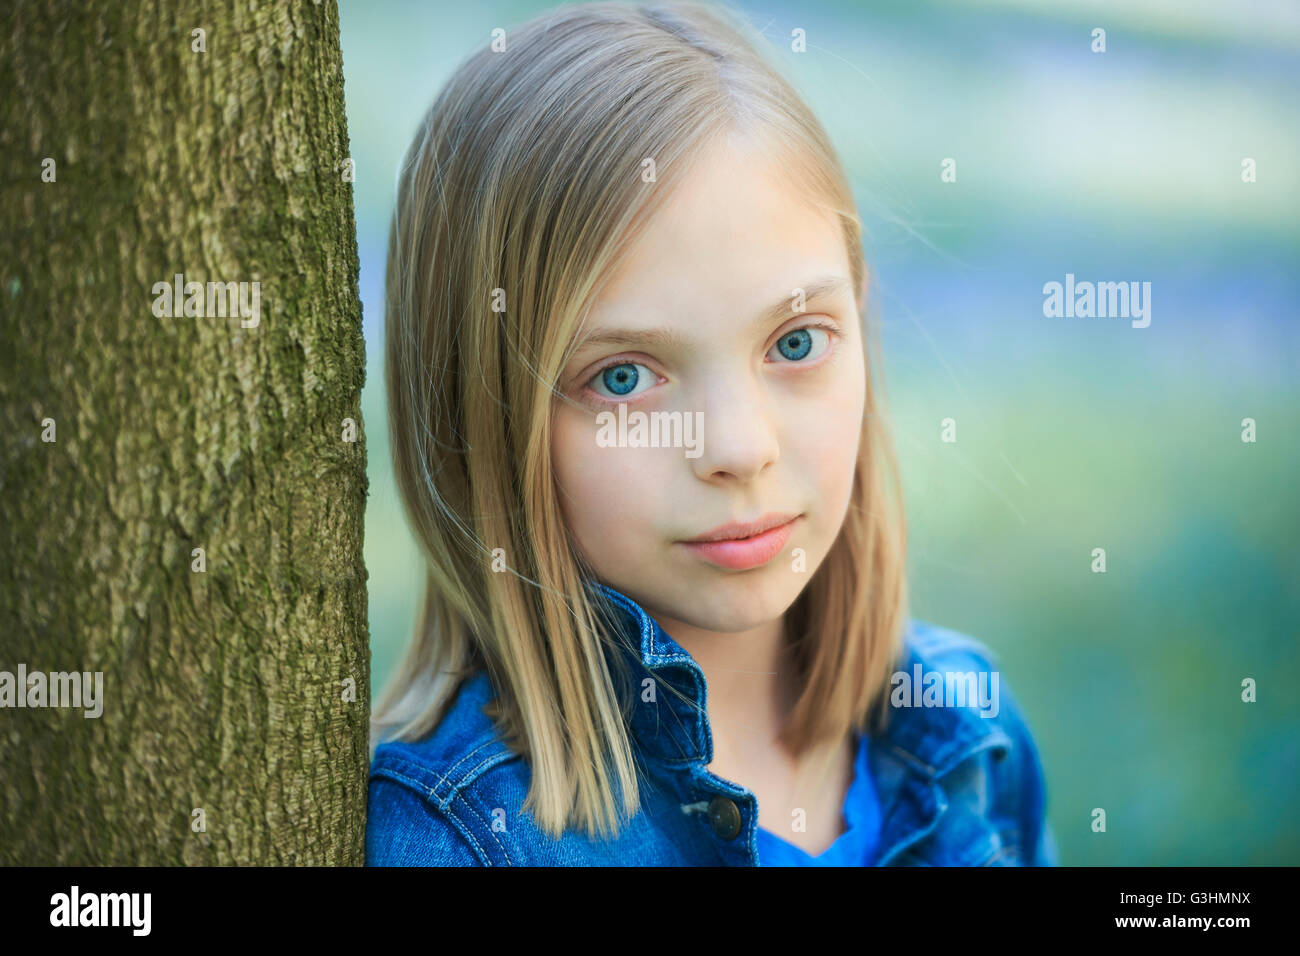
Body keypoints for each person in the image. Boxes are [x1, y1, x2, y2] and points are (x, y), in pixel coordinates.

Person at [366, 0, 1058, 866]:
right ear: (483, 409)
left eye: (795, 343)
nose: (738, 448)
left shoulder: (967, 731)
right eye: (623, 378)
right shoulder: (457, 837)